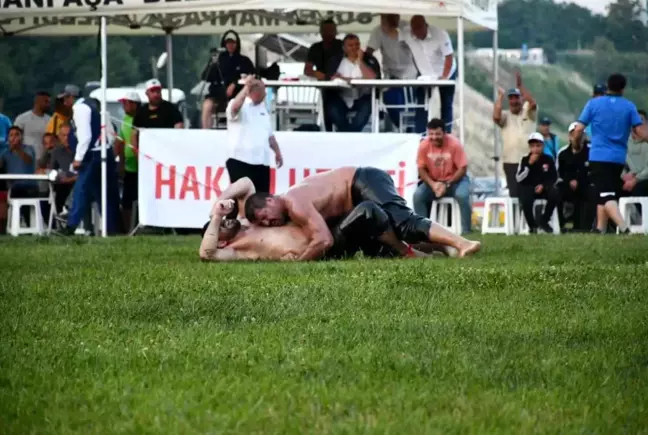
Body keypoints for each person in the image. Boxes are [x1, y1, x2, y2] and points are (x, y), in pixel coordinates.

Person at [243, 166, 481, 261]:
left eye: (265, 214)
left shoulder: (294, 202)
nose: (269, 221)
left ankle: (463, 243)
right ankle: (441, 248)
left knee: (402, 223)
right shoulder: (294, 201)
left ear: (271, 198)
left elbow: (323, 240)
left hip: (362, 181)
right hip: (357, 193)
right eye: (264, 223)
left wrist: (299, 263)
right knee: (380, 239)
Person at [199, 178, 420, 261]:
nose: (226, 222)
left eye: (222, 220)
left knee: (381, 227)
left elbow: (247, 183)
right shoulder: (238, 249)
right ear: (222, 241)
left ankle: (428, 247)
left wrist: (219, 203)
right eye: (219, 227)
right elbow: (206, 253)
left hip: (325, 231)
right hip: (321, 249)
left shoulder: (248, 221)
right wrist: (217, 217)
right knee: (367, 212)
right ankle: (409, 253)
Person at [572, 73, 648, 234]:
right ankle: (600, 228)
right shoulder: (629, 106)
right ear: (623, 88)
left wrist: (576, 143)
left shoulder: (594, 104)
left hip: (599, 155)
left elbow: (578, 129)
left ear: (607, 85)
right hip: (618, 158)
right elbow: (639, 131)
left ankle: (624, 227)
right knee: (607, 192)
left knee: (605, 194)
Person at [64, 96, 121, 235]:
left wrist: (78, 158)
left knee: (81, 190)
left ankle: (71, 225)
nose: (64, 103)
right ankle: (112, 228)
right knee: (104, 194)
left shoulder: (80, 108)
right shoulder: (99, 111)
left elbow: (85, 136)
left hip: (93, 155)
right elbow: (111, 136)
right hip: (104, 152)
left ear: (72, 98)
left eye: (65, 99)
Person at [225, 76, 283, 192]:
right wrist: (246, 87)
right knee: (243, 198)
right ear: (253, 91)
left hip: (261, 162)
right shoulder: (240, 105)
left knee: (261, 199)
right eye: (262, 90)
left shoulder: (263, 110)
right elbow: (235, 109)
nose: (265, 94)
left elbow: (269, 135)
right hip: (241, 160)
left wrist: (277, 151)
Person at [413, 118, 471, 233]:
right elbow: (421, 169)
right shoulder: (424, 146)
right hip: (433, 181)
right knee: (418, 196)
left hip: (456, 181)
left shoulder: (454, 144)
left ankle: (466, 231)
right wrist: (433, 185)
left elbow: (462, 169)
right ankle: (423, 230)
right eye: (431, 134)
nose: (434, 137)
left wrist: (447, 184)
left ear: (444, 133)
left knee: (462, 195)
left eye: (437, 134)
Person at [493, 73, 538, 198]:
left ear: (521, 99)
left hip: (529, 160)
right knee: (514, 194)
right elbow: (496, 117)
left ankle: (528, 217)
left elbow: (533, 103)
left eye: (517, 98)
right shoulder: (506, 116)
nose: (514, 101)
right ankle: (515, 217)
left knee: (529, 193)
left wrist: (521, 86)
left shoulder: (529, 114)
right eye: (511, 98)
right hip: (511, 162)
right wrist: (501, 97)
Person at [516, 132, 560, 233]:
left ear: (543, 146)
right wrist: (529, 165)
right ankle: (532, 225)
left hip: (544, 188)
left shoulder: (548, 159)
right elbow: (519, 178)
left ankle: (544, 220)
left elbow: (554, 176)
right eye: (533, 146)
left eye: (538, 146)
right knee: (525, 198)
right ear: (530, 147)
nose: (535, 149)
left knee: (555, 193)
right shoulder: (524, 159)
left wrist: (544, 185)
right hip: (529, 188)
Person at [556, 122, 593, 232]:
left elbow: (593, 171)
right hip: (568, 185)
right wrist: (569, 180)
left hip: (585, 184)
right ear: (569, 135)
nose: (577, 137)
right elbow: (559, 172)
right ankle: (560, 224)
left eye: (580, 134)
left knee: (591, 192)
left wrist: (579, 181)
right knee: (556, 192)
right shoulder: (562, 153)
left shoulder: (591, 151)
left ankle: (585, 227)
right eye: (574, 134)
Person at [113, 91, 141, 232]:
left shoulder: (142, 118)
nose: (124, 106)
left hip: (142, 168)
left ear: (134, 104)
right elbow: (120, 142)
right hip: (130, 168)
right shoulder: (125, 120)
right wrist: (120, 163)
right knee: (127, 202)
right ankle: (127, 230)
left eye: (126, 103)